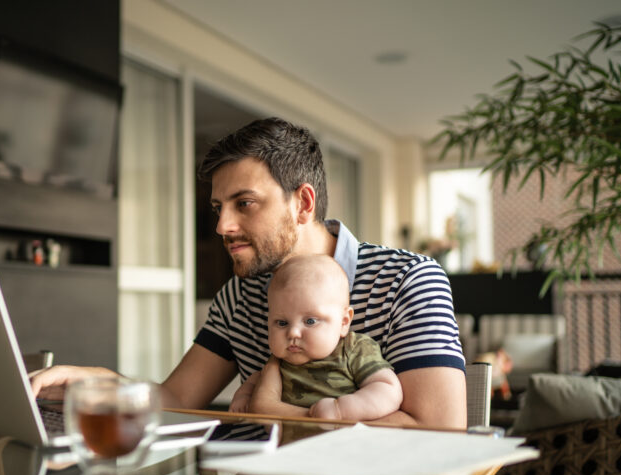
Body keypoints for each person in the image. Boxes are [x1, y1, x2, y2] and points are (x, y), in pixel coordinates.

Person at [31, 117, 467, 428]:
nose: (222, 226)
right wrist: (102, 383)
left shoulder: (407, 280)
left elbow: (441, 431)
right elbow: (178, 399)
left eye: (245, 203)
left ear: (303, 204)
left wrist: (287, 416)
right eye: (219, 208)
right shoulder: (237, 298)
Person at [228, 254, 402, 420]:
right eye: (282, 323)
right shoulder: (279, 362)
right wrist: (244, 396)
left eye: (310, 321)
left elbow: (387, 388)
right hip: (284, 441)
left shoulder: (353, 349)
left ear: (344, 322)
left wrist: (341, 410)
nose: (293, 332)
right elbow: (256, 380)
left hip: (342, 437)